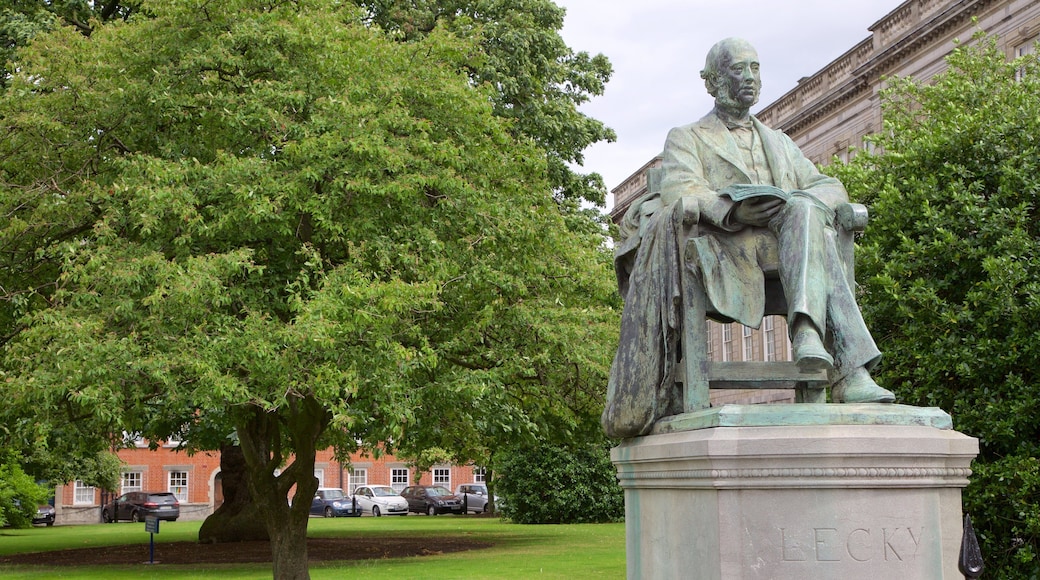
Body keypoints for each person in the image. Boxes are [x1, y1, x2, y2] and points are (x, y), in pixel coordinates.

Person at [602, 38, 894, 439]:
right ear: (712, 82)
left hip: (789, 245)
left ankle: (809, 335)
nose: (750, 78)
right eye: (738, 69)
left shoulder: (780, 142)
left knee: (806, 209)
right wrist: (733, 211)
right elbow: (681, 189)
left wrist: (803, 204)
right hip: (725, 248)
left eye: (755, 68)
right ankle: (849, 371)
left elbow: (829, 186)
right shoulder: (688, 137)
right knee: (821, 239)